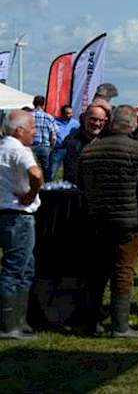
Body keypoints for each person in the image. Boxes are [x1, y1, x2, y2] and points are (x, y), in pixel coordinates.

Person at [78, 105, 138, 337]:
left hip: (96, 220)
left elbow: (80, 188)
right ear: (133, 123)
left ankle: (92, 321)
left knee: (97, 272)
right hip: (128, 222)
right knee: (123, 270)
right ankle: (120, 325)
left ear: (110, 123)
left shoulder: (89, 151)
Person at [0, 110, 42, 340]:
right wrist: (32, 192)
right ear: (19, 130)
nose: (35, 132)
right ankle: (9, 325)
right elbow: (36, 174)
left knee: (24, 267)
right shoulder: (19, 150)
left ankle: (18, 319)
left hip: (4, 212)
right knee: (15, 269)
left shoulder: (1, 147)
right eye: (32, 127)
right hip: (18, 216)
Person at [63, 103, 108, 184]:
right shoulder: (74, 144)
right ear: (84, 118)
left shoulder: (108, 144)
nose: (97, 123)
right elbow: (71, 175)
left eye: (101, 120)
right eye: (93, 119)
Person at [31, 96, 57, 182]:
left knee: (31, 170)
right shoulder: (49, 117)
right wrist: (51, 147)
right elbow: (53, 135)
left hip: (31, 147)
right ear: (44, 104)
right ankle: (47, 190)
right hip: (45, 147)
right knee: (47, 171)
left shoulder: (28, 116)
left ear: (33, 103)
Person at [51, 105, 79, 179]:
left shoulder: (75, 124)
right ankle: (48, 186)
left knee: (69, 171)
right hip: (58, 149)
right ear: (63, 114)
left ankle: (66, 187)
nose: (71, 115)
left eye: (71, 113)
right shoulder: (55, 122)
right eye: (68, 113)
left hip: (70, 150)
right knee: (52, 170)